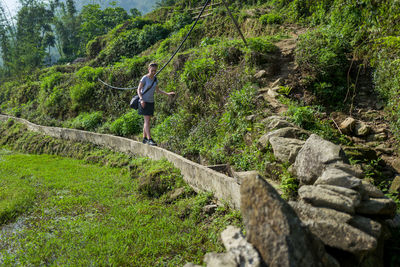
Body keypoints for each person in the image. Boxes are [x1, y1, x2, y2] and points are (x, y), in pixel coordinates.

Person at [137, 62, 175, 146]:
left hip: (151, 101)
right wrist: (141, 99)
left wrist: (168, 94)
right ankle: (149, 139)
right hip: (144, 101)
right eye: (152, 70)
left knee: (147, 120)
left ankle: (144, 138)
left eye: (155, 71)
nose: (153, 72)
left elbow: (158, 91)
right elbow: (138, 89)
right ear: (149, 69)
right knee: (147, 120)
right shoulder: (144, 78)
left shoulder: (155, 79)